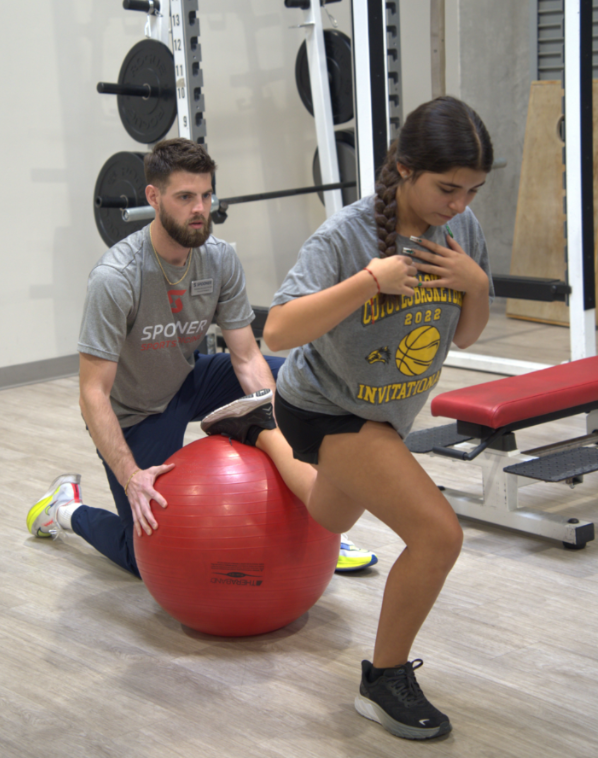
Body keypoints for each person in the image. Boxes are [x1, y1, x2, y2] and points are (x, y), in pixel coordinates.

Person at [26, 138, 376, 576]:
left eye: (206, 195)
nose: (200, 209)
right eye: (186, 197)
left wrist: (281, 425)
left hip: (189, 381)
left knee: (290, 381)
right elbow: (92, 394)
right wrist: (132, 475)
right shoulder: (116, 278)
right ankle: (64, 510)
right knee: (148, 557)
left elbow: (247, 358)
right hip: (136, 412)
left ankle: (323, 519)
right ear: (154, 198)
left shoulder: (220, 259)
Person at [261, 96, 495, 740]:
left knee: (331, 516)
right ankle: (382, 680)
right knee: (439, 535)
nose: (460, 205)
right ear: (405, 168)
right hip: (324, 405)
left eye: (473, 190)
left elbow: (468, 337)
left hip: (386, 410)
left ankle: (255, 430)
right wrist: (370, 280)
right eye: (448, 188)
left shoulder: (460, 232)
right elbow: (278, 331)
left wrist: (475, 282)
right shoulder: (347, 235)